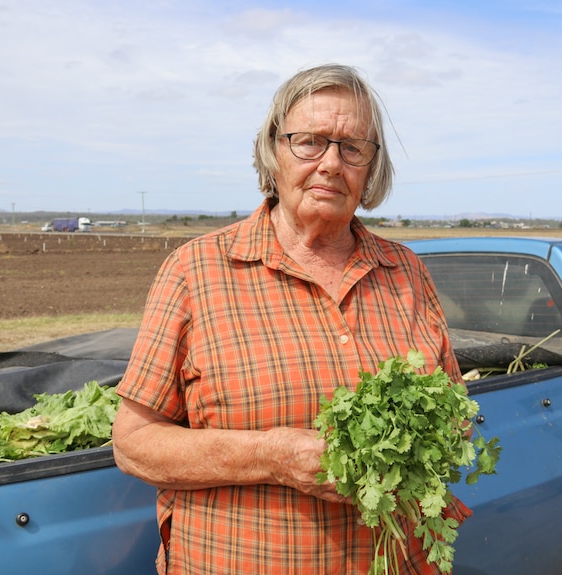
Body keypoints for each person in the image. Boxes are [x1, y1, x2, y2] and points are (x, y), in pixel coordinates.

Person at [113, 63, 470, 575]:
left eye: (353, 148)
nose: (330, 163)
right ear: (273, 152)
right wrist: (273, 456)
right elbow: (133, 443)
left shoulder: (406, 272)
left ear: (371, 169)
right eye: (309, 141)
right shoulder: (198, 269)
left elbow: (454, 414)